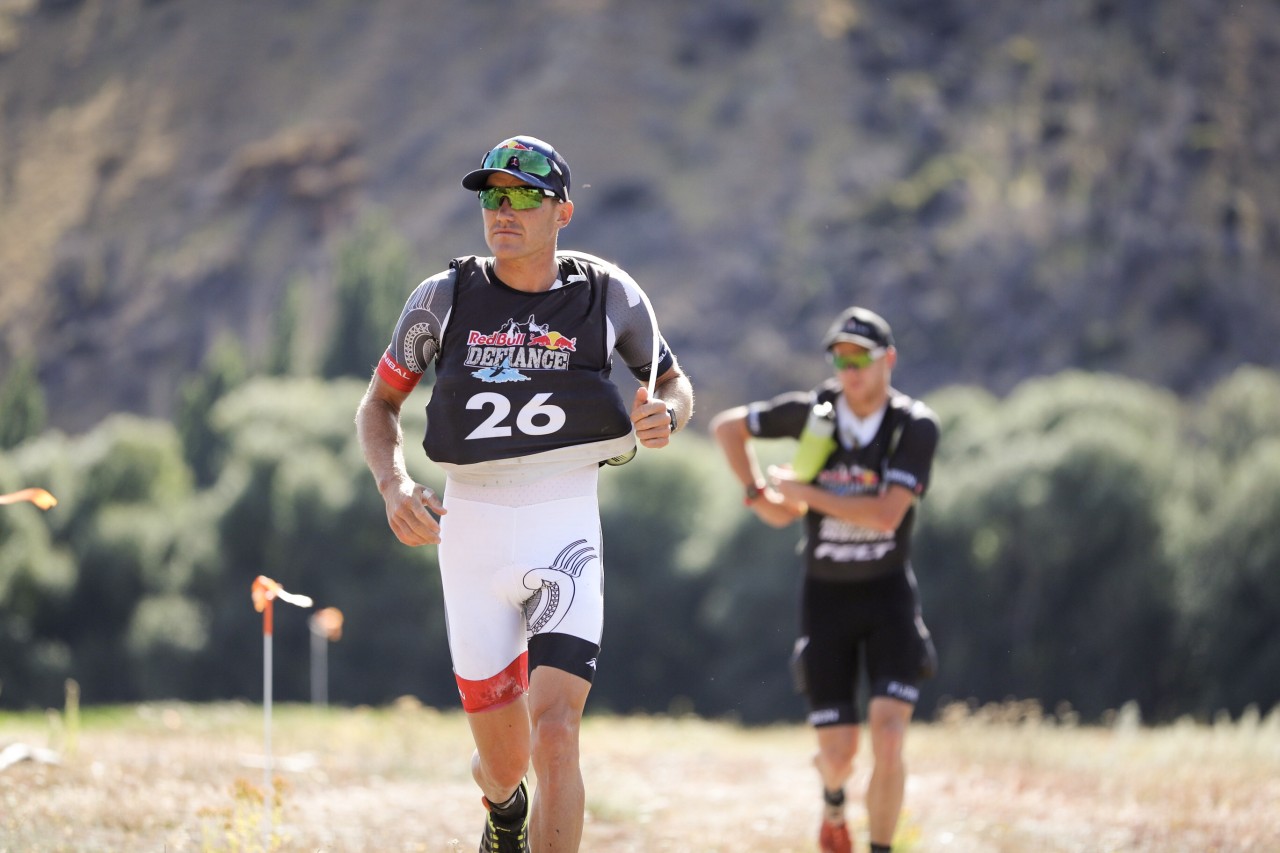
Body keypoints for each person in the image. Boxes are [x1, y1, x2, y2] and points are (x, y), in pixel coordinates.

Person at [355, 135, 693, 853]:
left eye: (521, 196)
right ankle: (503, 810)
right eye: (490, 195)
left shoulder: (611, 294)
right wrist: (394, 485)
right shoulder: (441, 298)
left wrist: (670, 413)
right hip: (468, 528)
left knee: (557, 733)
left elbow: (671, 380)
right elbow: (377, 405)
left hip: (562, 522)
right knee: (506, 764)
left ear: (563, 211)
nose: (502, 210)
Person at [709, 307, 938, 853]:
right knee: (837, 757)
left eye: (861, 357)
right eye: (840, 357)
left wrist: (801, 495)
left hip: (889, 599)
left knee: (888, 738)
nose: (849, 368)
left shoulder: (914, 424)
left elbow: (886, 515)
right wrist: (757, 494)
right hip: (825, 600)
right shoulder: (815, 413)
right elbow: (727, 427)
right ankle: (834, 801)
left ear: (890, 361)